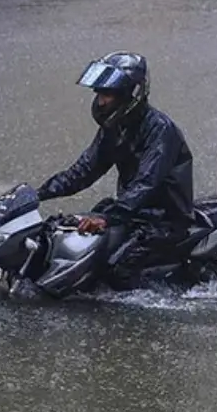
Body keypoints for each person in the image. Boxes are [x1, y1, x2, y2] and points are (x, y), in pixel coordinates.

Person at [37, 52, 196, 285]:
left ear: (129, 94)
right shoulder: (116, 128)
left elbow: (145, 183)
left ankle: (137, 316)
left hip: (165, 219)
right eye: (99, 94)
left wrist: (108, 218)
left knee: (117, 271)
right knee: (75, 239)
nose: (100, 101)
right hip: (133, 212)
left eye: (107, 94)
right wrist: (39, 193)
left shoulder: (161, 130)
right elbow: (84, 170)